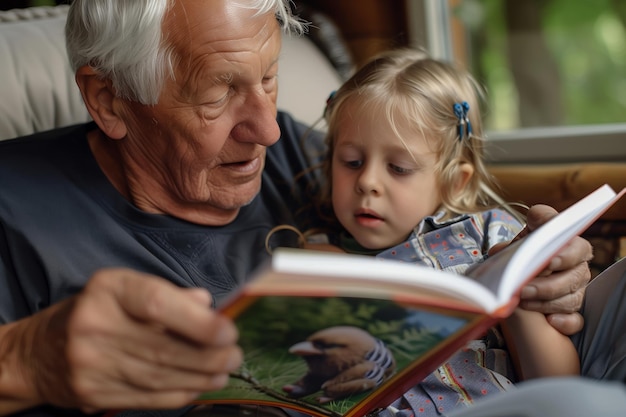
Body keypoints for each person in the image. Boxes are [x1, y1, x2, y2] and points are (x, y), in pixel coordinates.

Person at [0, 1, 605, 416]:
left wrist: (549, 271)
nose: (266, 129)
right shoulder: (15, 207)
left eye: (268, 78)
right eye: (219, 93)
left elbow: (415, 175)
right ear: (109, 100)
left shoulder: (302, 154)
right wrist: (24, 360)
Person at [278, 48, 578, 415]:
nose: (368, 181)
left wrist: (520, 294)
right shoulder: (316, 256)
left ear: (455, 181)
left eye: (399, 168)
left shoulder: (492, 236)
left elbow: (558, 381)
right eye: (352, 162)